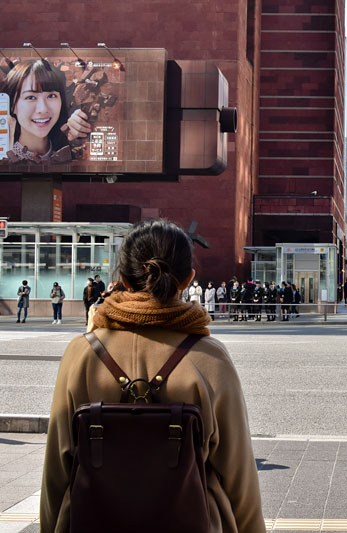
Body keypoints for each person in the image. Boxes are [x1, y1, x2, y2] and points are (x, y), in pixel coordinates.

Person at [40, 219, 265, 533]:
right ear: (187, 279)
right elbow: (238, 474)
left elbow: (57, 471)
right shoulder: (210, 359)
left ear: (123, 280)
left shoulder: (81, 354)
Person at [0, 59, 83, 163]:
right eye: (30, 97)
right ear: (12, 105)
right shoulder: (4, 156)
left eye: (51, 96)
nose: (42, 109)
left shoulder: (72, 152)